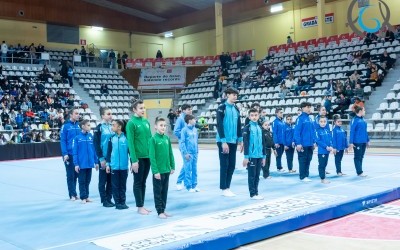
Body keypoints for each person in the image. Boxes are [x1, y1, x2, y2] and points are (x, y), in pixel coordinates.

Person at [126, 100, 153, 215]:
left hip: (148, 156)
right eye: (141, 108)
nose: (143, 110)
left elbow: (150, 139)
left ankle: (142, 204)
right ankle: (139, 206)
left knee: (143, 182)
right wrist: (134, 160)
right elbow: (130, 143)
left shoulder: (146, 121)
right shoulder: (131, 123)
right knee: (138, 182)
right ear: (134, 110)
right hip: (138, 158)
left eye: (144, 108)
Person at [216, 88, 243, 197]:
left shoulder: (236, 108)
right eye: (233, 95)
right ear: (227, 95)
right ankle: (224, 188)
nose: (235, 96)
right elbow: (219, 125)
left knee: (232, 165)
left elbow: (238, 125)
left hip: (233, 141)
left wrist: (240, 140)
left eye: (236, 95)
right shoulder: (221, 108)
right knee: (224, 165)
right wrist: (223, 141)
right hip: (223, 141)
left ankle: (228, 187)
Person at [149, 117, 175, 219]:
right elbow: (152, 156)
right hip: (158, 171)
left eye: (164, 125)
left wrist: (172, 166)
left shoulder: (166, 138)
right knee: (158, 192)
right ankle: (159, 211)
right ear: (155, 126)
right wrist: (155, 171)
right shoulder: (153, 139)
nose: (163, 127)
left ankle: (163, 209)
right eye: (161, 125)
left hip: (166, 170)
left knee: (165, 191)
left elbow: (170, 153)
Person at [73, 119, 99, 204]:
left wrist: (96, 162)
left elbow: (94, 150)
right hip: (82, 164)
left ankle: (87, 196)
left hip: (90, 163)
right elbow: (75, 152)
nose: (90, 126)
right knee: (82, 181)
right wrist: (76, 164)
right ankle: (83, 197)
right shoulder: (77, 138)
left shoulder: (90, 136)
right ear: (83, 126)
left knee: (88, 181)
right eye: (88, 125)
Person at [93, 107, 115, 207]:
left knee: (111, 179)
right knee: (103, 179)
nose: (111, 116)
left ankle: (109, 198)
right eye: (108, 114)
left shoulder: (112, 127)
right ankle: (104, 200)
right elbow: (96, 144)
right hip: (104, 158)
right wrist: (101, 158)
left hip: (111, 158)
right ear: (102, 116)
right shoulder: (99, 128)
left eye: (111, 114)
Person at [106, 120, 129, 210]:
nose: (112, 127)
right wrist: (108, 164)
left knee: (123, 185)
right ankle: (117, 203)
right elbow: (108, 152)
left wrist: (133, 162)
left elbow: (130, 152)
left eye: (113, 125)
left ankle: (123, 202)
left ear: (119, 127)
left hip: (124, 166)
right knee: (115, 186)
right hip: (114, 167)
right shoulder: (111, 138)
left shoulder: (126, 138)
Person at [242, 108, 266, 200]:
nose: (254, 117)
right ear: (249, 116)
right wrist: (246, 157)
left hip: (259, 156)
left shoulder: (260, 127)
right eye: (252, 115)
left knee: (257, 175)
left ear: (258, 116)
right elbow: (246, 143)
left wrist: (264, 156)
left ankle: (256, 192)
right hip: (251, 156)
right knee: (251, 176)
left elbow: (263, 143)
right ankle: (252, 194)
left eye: (256, 115)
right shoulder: (247, 128)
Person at [60, 108, 81, 200]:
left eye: (79, 114)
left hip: (77, 154)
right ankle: (71, 194)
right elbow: (63, 141)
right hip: (69, 153)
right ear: (71, 115)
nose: (78, 115)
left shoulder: (79, 125)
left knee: (76, 174)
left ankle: (75, 193)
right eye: (76, 113)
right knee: (70, 174)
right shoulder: (66, 126)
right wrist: (65, 153)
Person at [294, 102, 315, 182]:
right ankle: (302, 176)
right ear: (303, 108)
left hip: (310, 144)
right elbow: (297, 132)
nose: (309, 109)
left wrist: (313, 142)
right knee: (303, 160)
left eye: (310, 107)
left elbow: (312, 132)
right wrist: (298, 143)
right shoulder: (300, 119)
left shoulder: (310, 119)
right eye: (308, 107)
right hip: (303, 144)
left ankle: (306, 175)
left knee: (308, 159)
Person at [174, 104, 193, 191]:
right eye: (189, 109)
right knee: (187, 163)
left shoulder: (189, 119)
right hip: (183, 145)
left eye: (191, 109)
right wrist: (183, 137)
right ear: (183, 110)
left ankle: (185, 182)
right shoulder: (180, 120)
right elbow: (176, 131)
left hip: (190, 145)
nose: (190, 111)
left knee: (187, 163)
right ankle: (179, 182)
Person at [179, 114, 199, 192]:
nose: (195, 121)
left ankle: (194, 185)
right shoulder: (184, 130)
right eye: (194, 119)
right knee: (188, 169)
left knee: (194, 169)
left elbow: (196, 141)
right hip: (188, 153)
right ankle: (188, 186)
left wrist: (197, 151)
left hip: (195, 153)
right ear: (190, 121)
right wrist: (185, 153)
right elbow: (182, 142)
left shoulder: (195, 130)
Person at [349, 106, 369, 177]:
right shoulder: (354, 120)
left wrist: (367, 140)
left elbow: (365, 131)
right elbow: (352, 131)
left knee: (361, 156)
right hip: (357, 142)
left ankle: (360, 171)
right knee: (357, 157)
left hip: (363, 141)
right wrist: (351, 142)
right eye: (364, 110)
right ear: (360, 111)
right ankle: (359, 172)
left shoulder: (363, 120)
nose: (365, 112)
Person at [315, 116, 333, 184]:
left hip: (327, 151)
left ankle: (324, 177)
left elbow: (330, 139)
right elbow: (318, 141)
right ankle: (322, 178)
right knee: (322, 165)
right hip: (322, 151)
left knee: (325, 164)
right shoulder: (317, 131)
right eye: (321, 122)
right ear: (318, 122)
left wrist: (331, 145)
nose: (323, 123)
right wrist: (326, 147)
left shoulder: (327, 130)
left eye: (324, 121)